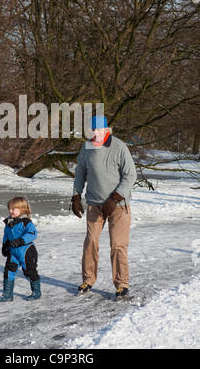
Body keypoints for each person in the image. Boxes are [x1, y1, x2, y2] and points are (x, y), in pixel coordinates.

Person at [71, 115, 137, 300]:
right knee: (91, 241)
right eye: (92, 130)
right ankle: (88, 279)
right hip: (94, 203)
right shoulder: (87, 147)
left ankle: (122, 284)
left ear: (107, 130)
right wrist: (76, 196)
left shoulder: (119, 147)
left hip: (118, 205)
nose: (96, 133)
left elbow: (130, 175)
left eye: (99, 130)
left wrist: (114, 198)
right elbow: (80, 174)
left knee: (117, 245)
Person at [0, 196, 41, 302]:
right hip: (13, 252)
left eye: (13, 209)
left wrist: (21, 240)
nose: (10, 211)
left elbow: (33, 233)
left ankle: (36, 291)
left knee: (29, 272)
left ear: (22, 210)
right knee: (8, 272)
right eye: (10, 209)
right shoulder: (8, 223)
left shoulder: (25, 222)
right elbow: (6, 236)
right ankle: (7, 295)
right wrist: (4, 246)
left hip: (26, 252)